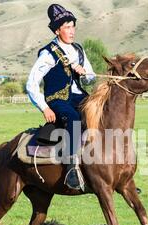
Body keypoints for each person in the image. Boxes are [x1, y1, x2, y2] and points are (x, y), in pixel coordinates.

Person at [26, 3, 95, 191]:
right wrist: (45, 107)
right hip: (58, 99)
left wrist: (84, 74)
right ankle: (72, 168)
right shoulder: (48, 54)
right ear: (57, 31)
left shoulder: (79, 50)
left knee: (103, 112)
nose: (72, 31)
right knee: (73, 118)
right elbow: (31, 83)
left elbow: (91, 78)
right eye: (67, 27)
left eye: (73, 26)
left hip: (79, 96)